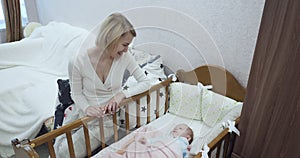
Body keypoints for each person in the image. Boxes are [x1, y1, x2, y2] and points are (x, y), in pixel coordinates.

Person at [54, 13, 150, 158]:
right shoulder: (77, 61)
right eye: (124, 45)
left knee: (65, 153)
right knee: (55, 145)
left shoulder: (125, 57)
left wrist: (121, 95)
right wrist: (87, 108)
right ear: (110, 39)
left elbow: (145, 82)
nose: (126, 50)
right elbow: (76, 93)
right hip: (84, 111)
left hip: (107, 120)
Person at [114, 123, 194, 158]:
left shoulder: (184, 144)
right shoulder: (168, 138)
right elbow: (158, 140)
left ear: (188, 138)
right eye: (175, 128)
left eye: (180, 128)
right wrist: (148, 141)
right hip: (157, 151)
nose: (176, 129)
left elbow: (184, 156)